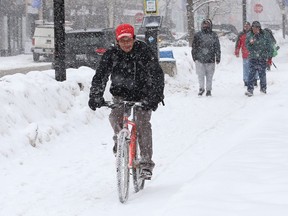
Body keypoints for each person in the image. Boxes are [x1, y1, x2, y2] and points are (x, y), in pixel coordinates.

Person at [88, 23, 165, 179]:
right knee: (115, 116)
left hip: (143, 94)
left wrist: (155, 97)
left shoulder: (143, 51)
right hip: (121, 94)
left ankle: (145, 164)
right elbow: (100, 76)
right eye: (122, 41)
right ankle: (120, 139)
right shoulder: (111, 54)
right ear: (117, 41)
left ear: (134, 39)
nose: (126, 44)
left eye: (128, 40)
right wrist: (95, 95)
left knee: (143, 124)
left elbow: (157, 74)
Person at [192, 19, 221, 96]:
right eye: (204, 24)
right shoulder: (197, 35)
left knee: (209, 76)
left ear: (210, 25)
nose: (205, 26)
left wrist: (218, 57)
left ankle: (208, 90)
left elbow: (217, 47)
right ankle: (201, 88)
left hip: (210, 59)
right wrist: (194, 56)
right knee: (200, 75)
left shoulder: (214, 35)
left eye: (207, 24)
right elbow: (194, 46)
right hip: (200, 59)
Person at [245, 21, 273, 97]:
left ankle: (263, 89)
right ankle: (250, 90)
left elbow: (269, 45)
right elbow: (247, 47)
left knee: (262, 74)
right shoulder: (249, 35)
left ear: (259, 28)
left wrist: (268, 55)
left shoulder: (264, 35)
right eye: (253, 28)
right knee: (251, 74)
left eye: (257, 28)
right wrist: (250, 44)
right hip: (253, 58)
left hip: (262, 58)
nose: (255, 30)